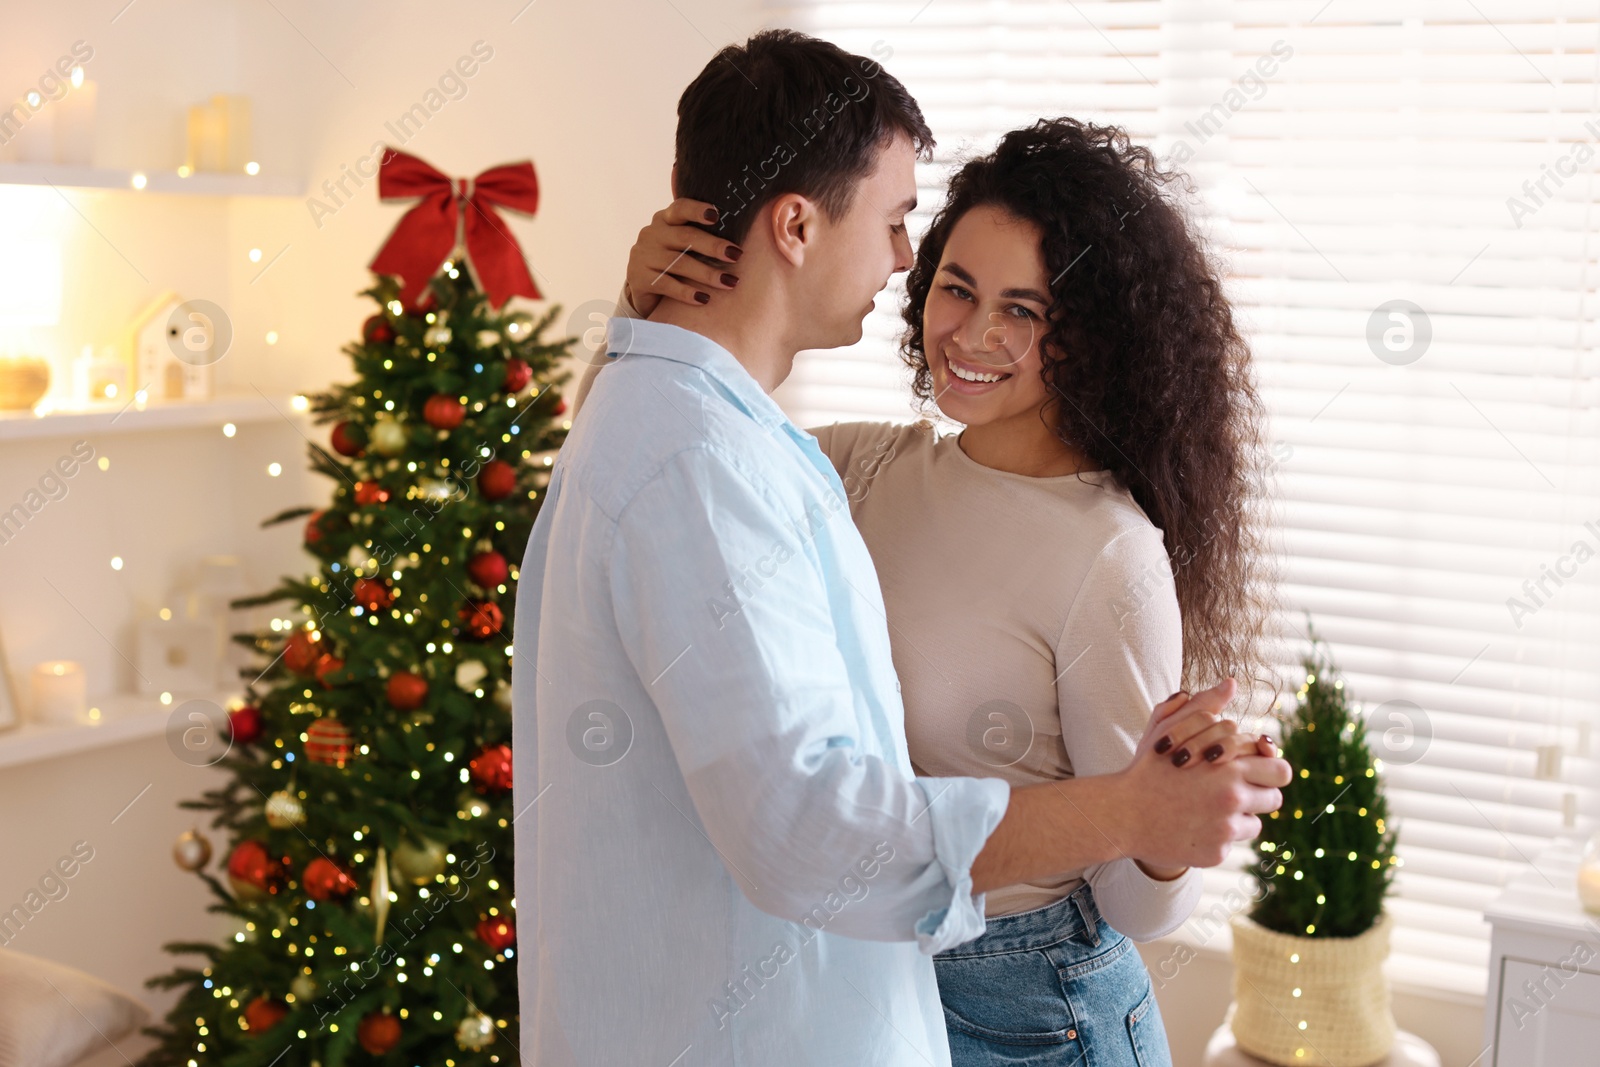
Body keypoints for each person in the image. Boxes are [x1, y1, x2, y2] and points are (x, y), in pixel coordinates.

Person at [514, 29, 1289, 1067]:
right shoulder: (835, 466)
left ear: (1091, 335)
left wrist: (1151, 814)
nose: (960, 323)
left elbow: (1140, 899)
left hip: (1036, 1007)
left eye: (1025, 310)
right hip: (886, 957)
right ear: (796, 225)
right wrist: (645, 306)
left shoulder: (1107, 552)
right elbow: (650, 455)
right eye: (946, 277)